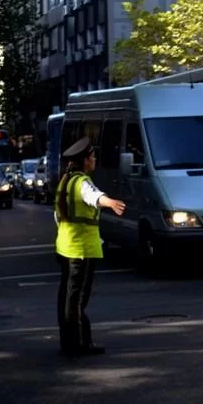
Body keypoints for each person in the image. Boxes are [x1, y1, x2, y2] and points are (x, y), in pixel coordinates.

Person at [54, 136, 126, 356]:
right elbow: (94, 197)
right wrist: (111, 202)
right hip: (81, 250)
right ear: (85, 160)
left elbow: (58, 217)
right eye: (92, 157)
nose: (94, 160)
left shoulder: (65, 181)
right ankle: (78, 344)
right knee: (77, 300)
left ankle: (68, 341)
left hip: (65, 247)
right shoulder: (81, 182)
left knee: (66, 297)